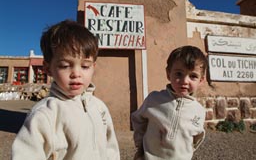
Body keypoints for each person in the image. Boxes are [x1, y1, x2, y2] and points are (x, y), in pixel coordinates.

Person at [12, 20, 120, 160]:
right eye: (64, 66)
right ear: (47, 68)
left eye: (85, 66)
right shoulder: (46, 114)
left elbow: (111, 148)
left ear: (94, 67)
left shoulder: (99, 108)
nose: (76, 73)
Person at [132, 45, 207, 160]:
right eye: (179, 74)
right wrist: (140, 147)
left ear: (201, 80)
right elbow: (138, 120)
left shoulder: (199, 110)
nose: (184, 81)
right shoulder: (154, 100)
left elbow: (197, 138)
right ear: (168, 74)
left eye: (193, 76)